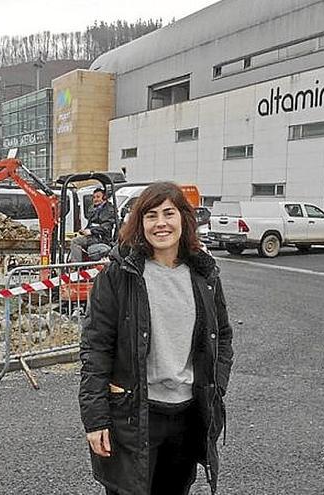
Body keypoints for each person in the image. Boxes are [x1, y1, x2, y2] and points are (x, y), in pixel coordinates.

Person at [78, 182, 234, 495]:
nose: (160, 223)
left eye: (168, 213)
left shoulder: (203, 275)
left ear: (183, 219)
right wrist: (96, 420)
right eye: (151, 215)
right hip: (134, 415)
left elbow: (223, 336)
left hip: (187, 415)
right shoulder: (120, 275)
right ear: (140, 224)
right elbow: (96, 348)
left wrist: (215, 385)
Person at [70, 188, 117, 262]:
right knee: (76, 240)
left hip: (101, 239)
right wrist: (84, 231)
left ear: (104, 198)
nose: (95, 199)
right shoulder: (94, 210)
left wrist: (91, 231)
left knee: (75, 241)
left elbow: (106, 227)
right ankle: (80, 263)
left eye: (98, 197)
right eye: (94, 197)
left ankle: (76, 266)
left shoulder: (108, 211)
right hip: (94, 237)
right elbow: (91, 225)